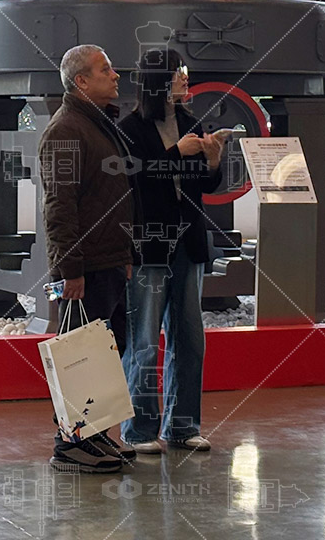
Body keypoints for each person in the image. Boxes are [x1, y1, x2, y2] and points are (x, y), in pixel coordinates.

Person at [119, 48, 225, 454]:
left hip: (188, 242)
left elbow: (204, 187)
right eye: (180, 72)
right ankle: (139, 430)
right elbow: (136, 179)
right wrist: (176, 154)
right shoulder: (129, 127)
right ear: (160, 80)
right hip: (149, 245)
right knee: (144, 338)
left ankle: (183, 426)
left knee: (189, 336)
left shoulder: (189, 121)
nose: (186, 78)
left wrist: (212, 162)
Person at [39, 44, 137, 474]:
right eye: (105, 69)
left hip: (110, 260)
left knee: (106, 352)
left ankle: (95, 437)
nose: (115, 75)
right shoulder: (65, 131)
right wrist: (70, 269)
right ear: (81, 81)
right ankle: (70, 444)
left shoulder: (98, 125)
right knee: (82, 355)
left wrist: (125, 255)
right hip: (86, 268)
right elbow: (60, 207)